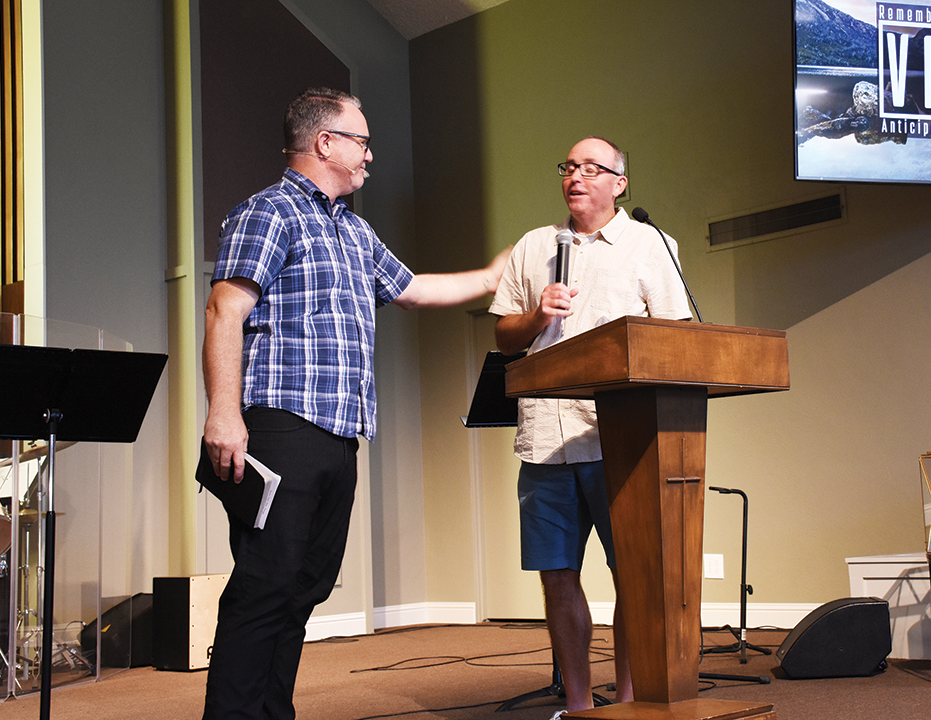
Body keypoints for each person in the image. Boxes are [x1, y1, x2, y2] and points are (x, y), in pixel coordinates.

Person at [200, 87, 508, 720]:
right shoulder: (270, 212)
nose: (370, 155)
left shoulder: (356, 231)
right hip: (281, 424)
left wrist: (493, 274)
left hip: (341, 435)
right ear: (326, 143)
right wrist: (223, 412)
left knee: (302, 588)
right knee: (265, 584)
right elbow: (224, 310)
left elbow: (414, 289)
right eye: (362, 141)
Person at [489, 137, 692, 715]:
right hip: (544, 439)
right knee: (556, 576)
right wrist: (537, 314)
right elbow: (503, 336)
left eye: (591, 168)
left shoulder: (651, 245)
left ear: (619, 183)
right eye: (569, 167)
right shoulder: (533, 247)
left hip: (618, 437)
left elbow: (674, 337)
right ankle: (578, 706)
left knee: (632, 574)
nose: (576, 176)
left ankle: (628, 701)